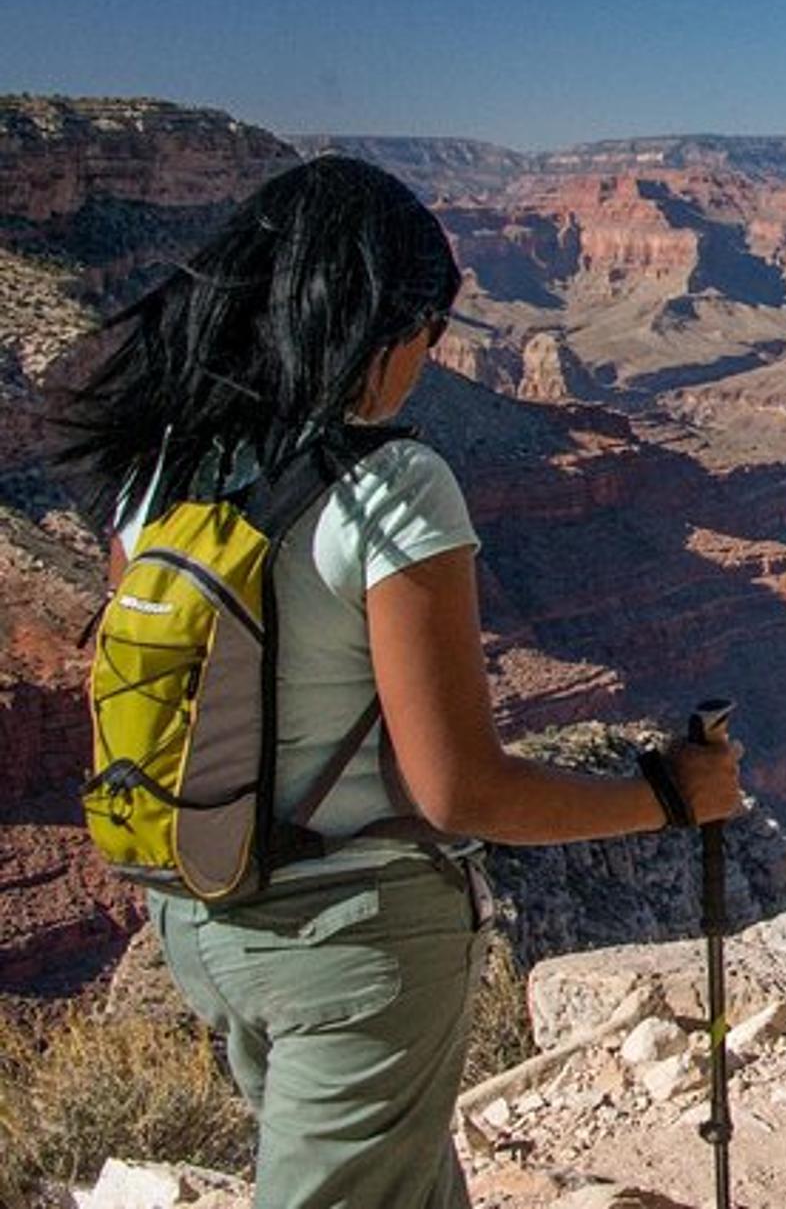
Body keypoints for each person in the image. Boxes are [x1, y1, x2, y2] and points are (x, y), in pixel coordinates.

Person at [61, 156, 742, 1209]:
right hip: (351, 944)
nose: (429, 362)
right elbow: (459, 791)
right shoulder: (392, 487)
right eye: (427, 333)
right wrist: (665, 798)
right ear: (377, 326)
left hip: (200, 915)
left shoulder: (163, 469)